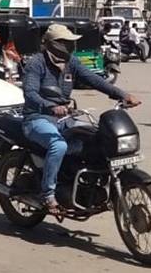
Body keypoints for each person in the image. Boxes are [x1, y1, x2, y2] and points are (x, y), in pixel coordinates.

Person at [21, 24, 139, 212]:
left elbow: (94, 80)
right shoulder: (36, 63)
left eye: (70, 43)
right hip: (37, 118)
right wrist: (51, 106)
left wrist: (122, 95)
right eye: (66, 43)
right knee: (58, 145)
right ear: (54, 44)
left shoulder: (71, 62)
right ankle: (48, 195)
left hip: (65, 117)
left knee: (95, 138)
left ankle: (85, 183)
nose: (70, 46)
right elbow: (30, 93)